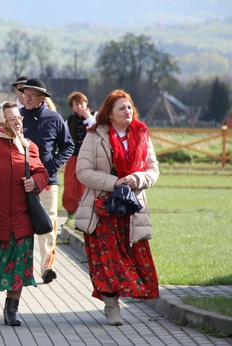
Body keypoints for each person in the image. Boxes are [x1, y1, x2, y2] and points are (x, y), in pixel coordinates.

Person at [75, 89, 160, 326]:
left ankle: (123, 300)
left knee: (133, 260)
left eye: (130, 107)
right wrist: (115, 182)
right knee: (107, 261)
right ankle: (112, 307)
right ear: (109, 114)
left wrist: (137, 178)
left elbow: (153, 170)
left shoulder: (142, 134)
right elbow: (82, 172)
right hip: (102, 210)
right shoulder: (95, 135)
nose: (128, 111)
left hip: (132, 210)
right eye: (122, 108)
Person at [0, 101, 49, 326]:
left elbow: (41, 171)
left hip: (21, 219)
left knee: (18, 266)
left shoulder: (28, 146)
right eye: (12, 118)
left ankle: (11, 310)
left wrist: (35, 182)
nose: (18, 122)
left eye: (19, 118)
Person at [19, 78, 74, 284]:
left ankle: (46, 267)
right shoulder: (17, 118)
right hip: (21, 180)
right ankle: (23, 268)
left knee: (48, 223)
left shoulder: (54, 118)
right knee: (22, 224)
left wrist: (51, 166)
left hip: (48, 181)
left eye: (32, 95)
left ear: (42, 98)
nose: (28, 98)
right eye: (25, 94)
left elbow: (68, 146)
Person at [62, 91, 96, 227]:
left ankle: (86, 217)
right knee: (70, 186)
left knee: (85, 187)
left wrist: (87, 116)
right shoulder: (69, 121)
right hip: (74, 157)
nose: (79, 106)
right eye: (76, 104)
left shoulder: (95, 116)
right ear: (72, 107)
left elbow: (98, 129)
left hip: (90, 158)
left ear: (86, 103)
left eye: (81, 103)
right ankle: (70, 216)